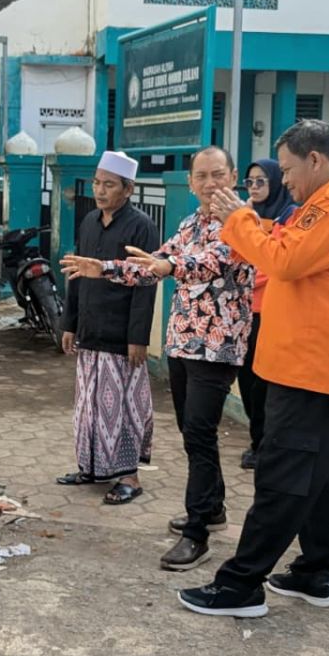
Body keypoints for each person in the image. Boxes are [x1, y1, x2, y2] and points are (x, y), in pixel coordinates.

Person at [179, 119, 329, 618]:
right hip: (315, 368)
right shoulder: (317, 208)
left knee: (281, 480)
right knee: (323, 480)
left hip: (312, 371)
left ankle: (241, 585)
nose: (282, 180)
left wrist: (242, 218)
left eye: (286, 169)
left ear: (314, 160)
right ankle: (314, 573)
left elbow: (285, 261)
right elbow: (276, 246)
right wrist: (245, 222)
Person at [62, 146, 254, 568]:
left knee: (200, 434)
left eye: (217, 175)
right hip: (183, 344)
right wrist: (105, 269)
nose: (209, 184)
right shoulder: (189, 223)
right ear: (189, 182)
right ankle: (213, 507)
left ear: (233, 176)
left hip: (216, 349)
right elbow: (153, 263)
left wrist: (168, 267)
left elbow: (206, 264)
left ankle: (197, 532)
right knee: (192, 432)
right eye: (200, 176)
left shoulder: (244, 225)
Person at [56, 151, 161, 504]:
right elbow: (76, 274)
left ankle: (129, 477)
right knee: (89, 406)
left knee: (124, 408)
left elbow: (146, 283)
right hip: (90, 330)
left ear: (128, 189)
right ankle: (91, 467)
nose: (101, 191)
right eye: (98, 183)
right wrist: (70, 324)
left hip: (121, 336)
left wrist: (137, 338)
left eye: (109, 185)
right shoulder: (88, 222)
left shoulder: (141, 226)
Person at [236, 159, 297, 470]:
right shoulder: (245, 217)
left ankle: (268, 446)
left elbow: (277, 265)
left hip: (270, 313)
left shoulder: (290, 218)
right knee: (247, 382)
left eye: (262, 181)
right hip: (244, 312)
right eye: (250, 182)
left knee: (266, 386)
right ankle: (257, 440)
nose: (255, 187)